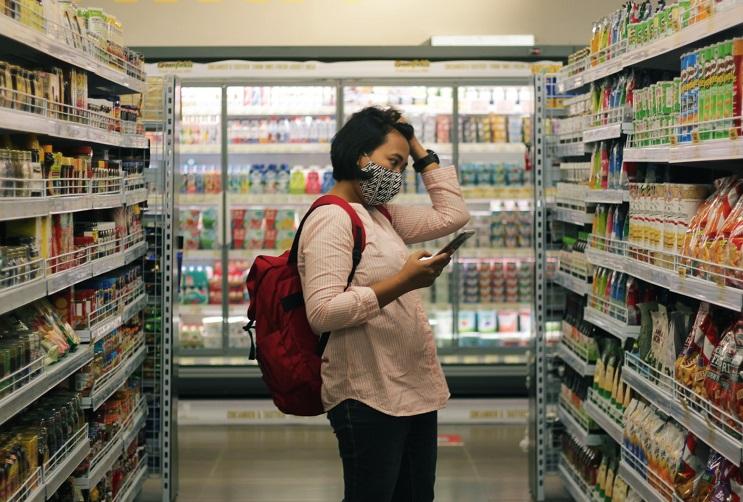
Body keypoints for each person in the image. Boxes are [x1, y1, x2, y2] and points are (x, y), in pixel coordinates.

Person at [297, 106, 470, 502]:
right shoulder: (332, 219)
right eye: (393, 162)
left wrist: (416, 148)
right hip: (367, 393)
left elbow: (453, 213)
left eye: (404, 167)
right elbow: (322, 313)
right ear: (361, 157)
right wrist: (403, 282)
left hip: (410, 387)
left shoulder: (381, 215)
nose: (397, 175)